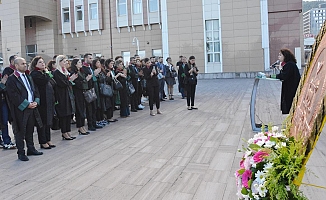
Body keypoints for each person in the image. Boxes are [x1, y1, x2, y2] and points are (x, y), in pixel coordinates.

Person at [6, 57, 43, 161]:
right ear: (16, 66)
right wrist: (26, 104)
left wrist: (36, 101)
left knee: (30, 129)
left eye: (25, 63)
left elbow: (34, 90)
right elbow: (13, 96)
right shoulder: (12, 79)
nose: (25, 65)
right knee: (20, 131)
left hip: (32, 107)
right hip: (20, 109)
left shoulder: (28, 76)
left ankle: (31, 149)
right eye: (22, 64)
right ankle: (21, 152)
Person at [30, 56, 56, 149]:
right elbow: (44, 81)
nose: (43, 64)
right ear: (35, 64)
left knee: (48, 121)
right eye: (40, 62)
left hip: (48, 100)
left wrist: (47, 73)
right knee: (42, 122)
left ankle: (48, 139)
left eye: (43, 62)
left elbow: (53, 82)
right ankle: (43, 141)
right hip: (41, 101)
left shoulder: (44, 73)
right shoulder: (35, 74)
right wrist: (47, 73)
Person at [53, 55, 78, 140]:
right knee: (63, 115)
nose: (66, 63)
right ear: (59, 62)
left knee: (68, 114)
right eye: (64, 61)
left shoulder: (65, 71)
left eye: (66, 61)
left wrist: (70, 80)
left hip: (67, 94)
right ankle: (64, 132)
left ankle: (68, 131)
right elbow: (62, 84)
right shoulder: (57, 72)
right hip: (61, 96)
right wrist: (70, 80)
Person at [269, 48, 301, 114]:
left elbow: (283, 76)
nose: (278, 57)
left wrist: (270, 76)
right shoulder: (289, 64)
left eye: (280, 55)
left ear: (285, 56)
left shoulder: (289, 65)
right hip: (290, 88)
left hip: (291, 89)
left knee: (290, 105)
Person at [82, 53, 103, 131]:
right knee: (89, 109)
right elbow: (85, 79)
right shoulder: (83, 68)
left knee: (94, 107)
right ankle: (90, 125)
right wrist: (93, 75)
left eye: (91, 58)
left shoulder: (90, 67)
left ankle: (94, 123)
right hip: (88, 90)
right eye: (90, 58)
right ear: (85, 59)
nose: (91, 60)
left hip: (93, 89)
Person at [70, 58, 89, 135]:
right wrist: (85, 81)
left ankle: (82, 126)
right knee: (79, 110)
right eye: (79, 62)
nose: (81, 64)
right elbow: (76, 84)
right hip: (77, 93)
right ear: (75, 64)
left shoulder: (81, 71)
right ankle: (80, 127)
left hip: (82, 92)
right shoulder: (73, 72)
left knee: (82, 109)